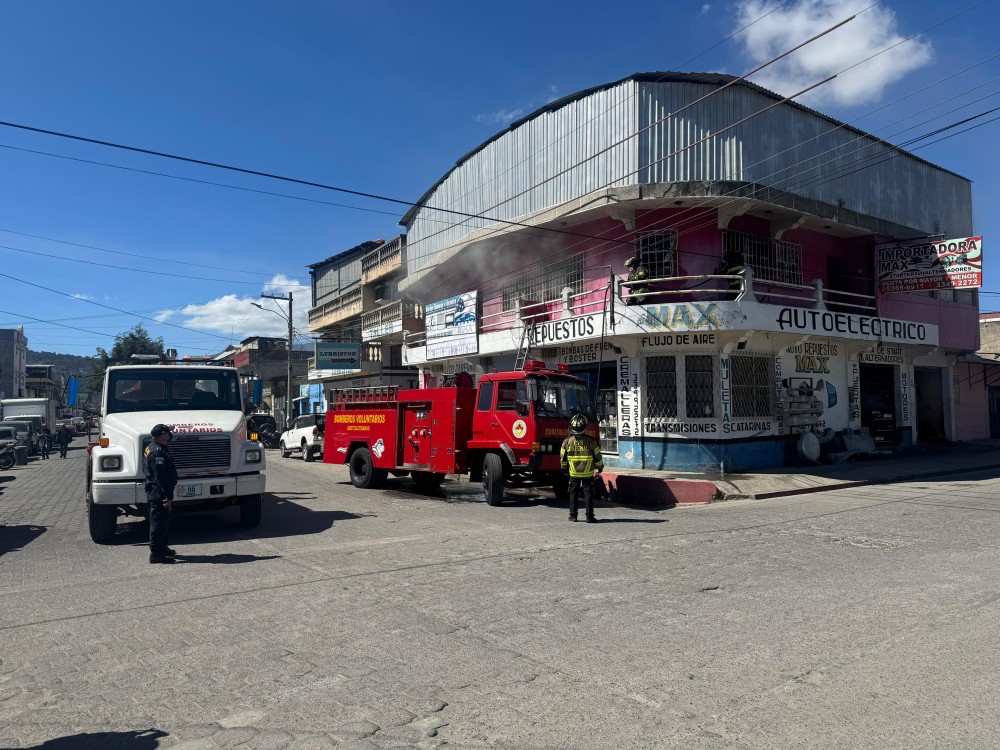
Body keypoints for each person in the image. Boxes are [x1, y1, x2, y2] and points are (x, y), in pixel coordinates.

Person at [560, 412, 604, 523]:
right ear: (584, 428)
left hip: (573, 473)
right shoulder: (590, 441)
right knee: (588, 494)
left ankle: (573, 516)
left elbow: (563, 458)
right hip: (588, 473)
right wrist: (600, 467)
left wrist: (564, 469)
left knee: (573, 494)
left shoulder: (567, 441)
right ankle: (589, 517)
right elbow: (597, 456)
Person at [144, 424, 178, 564]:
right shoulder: (157, 452)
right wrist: (168, 496)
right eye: (168, 433)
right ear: (163, 435)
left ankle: (162, 547)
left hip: (157, 490)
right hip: (159, 492)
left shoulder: (155, 446)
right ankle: (156, 554)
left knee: (163, 521)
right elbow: (161, 477)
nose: (170, 435)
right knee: (158, 523)